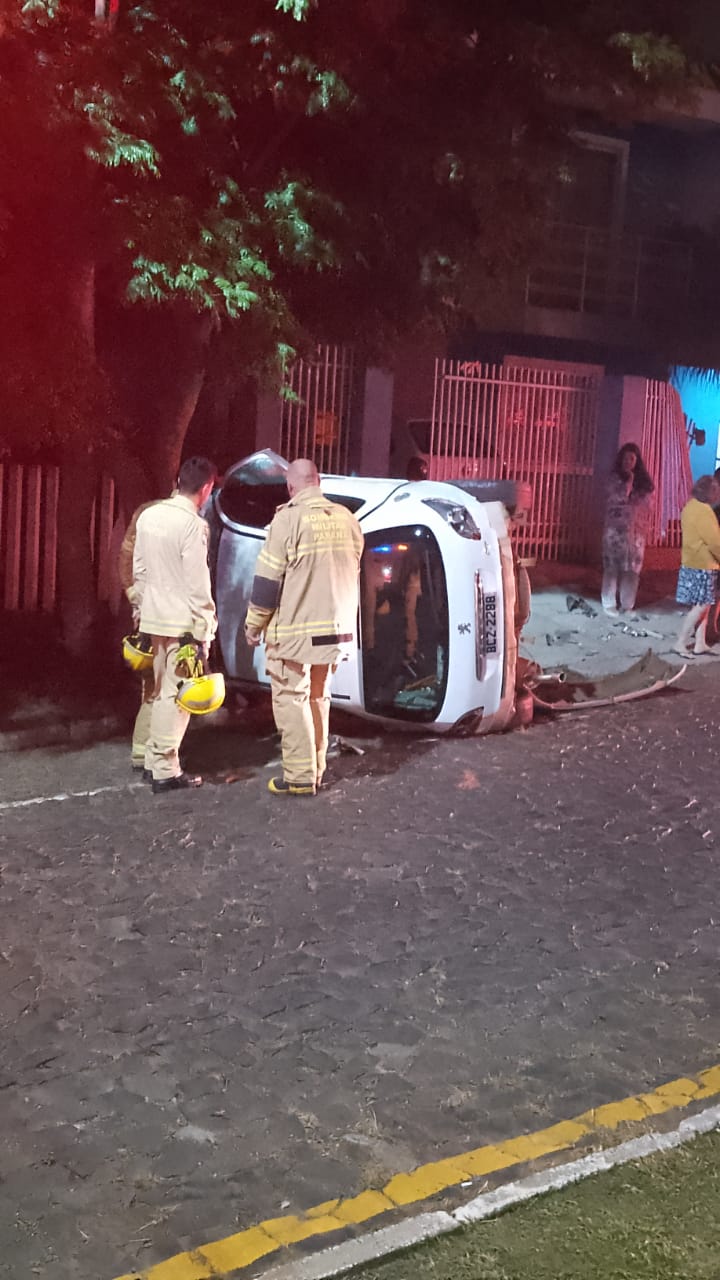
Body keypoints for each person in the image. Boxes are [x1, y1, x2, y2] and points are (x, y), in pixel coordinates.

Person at [244, 458, 364, 796]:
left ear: (291, 487)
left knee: (291, 698)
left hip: (295, 633)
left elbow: (267, 583)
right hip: (335, 631)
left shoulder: (288, 520)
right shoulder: (347, 519)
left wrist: (254, 626)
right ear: (319, 480)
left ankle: (298, 775)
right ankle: (317, 769)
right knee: (318, 697)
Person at [133, 457, 218, 792]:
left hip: (152, 618)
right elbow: (199, 584)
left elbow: (139, 569)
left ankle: (151, 761)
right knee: (177, 697)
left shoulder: (149, 516)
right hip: (182, 624)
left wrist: (140, 608)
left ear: (177, 479)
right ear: (207, 488)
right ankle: (165, 769)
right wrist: (205, 628)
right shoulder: (193, 526)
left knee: (157, 693)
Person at [118, 497, 164, 775]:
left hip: (147, 612)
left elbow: (125, 556)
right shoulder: (191, 521)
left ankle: (141, 749)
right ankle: (156, 754)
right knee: (166, 687)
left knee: (152, 684)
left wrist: (134, 598)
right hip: (170, 616)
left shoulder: (144, 512)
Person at [601, 443, 654, 616]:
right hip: (615, 531)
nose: (628, 462)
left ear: (637, 461)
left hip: (636, 533)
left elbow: (648, 505)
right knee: (612, 567)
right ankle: (609, 603)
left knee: (632, 570)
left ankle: (627, 604)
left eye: (632, 458)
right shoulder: (613, 479)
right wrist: (628, 482)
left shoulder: (644, 483)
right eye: (625, 458)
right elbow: (616, 499)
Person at [674, 474, 720, 657]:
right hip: (704, 565)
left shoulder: (690, 507)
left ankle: (700, 643)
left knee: (704, 604)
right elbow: (715, 542)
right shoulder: (704, 511)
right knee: (702, 605)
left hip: (691, 562)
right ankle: (680, 642)